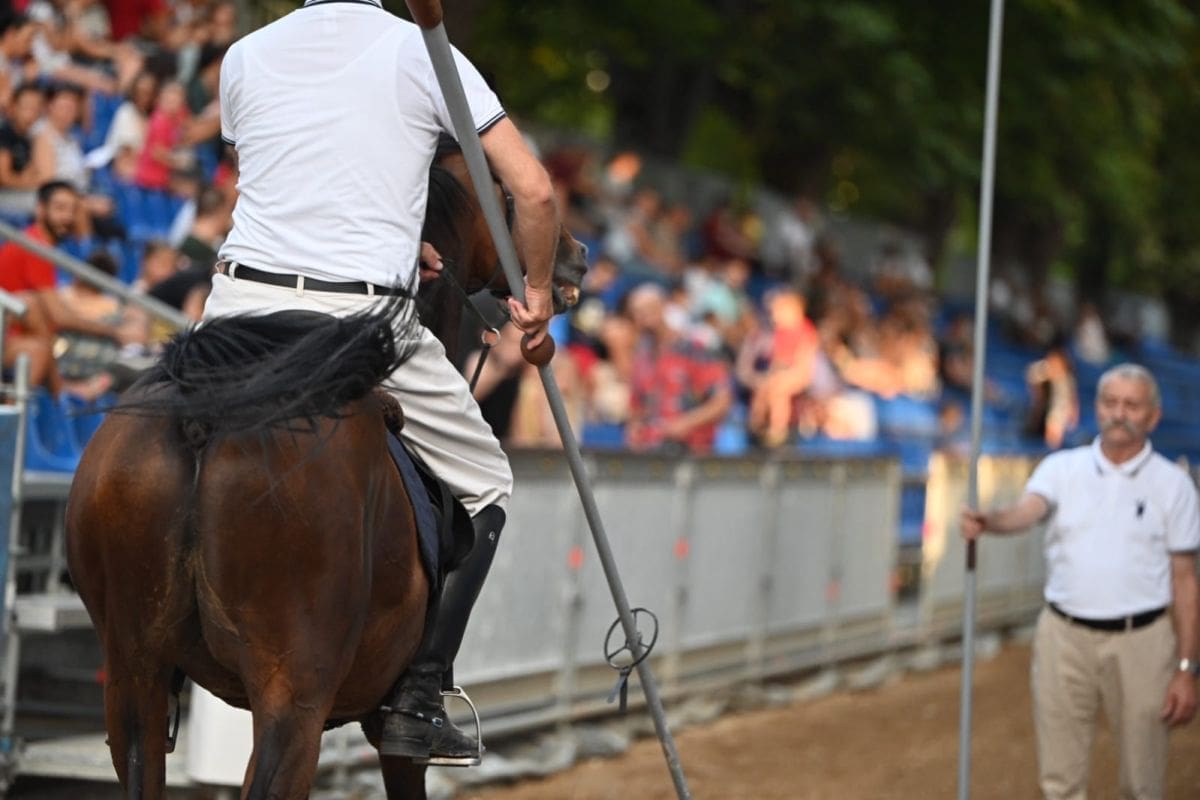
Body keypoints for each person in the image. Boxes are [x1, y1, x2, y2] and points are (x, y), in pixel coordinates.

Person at [210, 0, 558, 763]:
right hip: (362, 317)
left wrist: (407, 246)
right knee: (490, 480)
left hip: (236, 302)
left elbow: (289, 177)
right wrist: (533, 301)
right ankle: (418, 692)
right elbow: (532, 193)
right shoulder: (425, 51)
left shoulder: (243, 53)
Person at [961, 363, 1200, 799]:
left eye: (1131, 405)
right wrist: (990, 521)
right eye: (1110, 402)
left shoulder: (1174, 485)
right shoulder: (1061, 469)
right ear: (1097, 407)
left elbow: (1185, 580)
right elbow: (1026, 511)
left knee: (1143, 781)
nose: (1119, 413)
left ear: (1152, 416)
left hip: (1143, 641)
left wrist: (1186, 669)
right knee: (1059, 781)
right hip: (1063, 637)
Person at [0, 180, 131, 397]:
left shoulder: (42, 245)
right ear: (40, 209)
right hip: (8, 336)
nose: (68, 217)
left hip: (20, 338)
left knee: (41, 347)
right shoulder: (35, 245)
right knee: (45, 342)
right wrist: (115, 332)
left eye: (73, 210)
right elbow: (58, 316)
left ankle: (63, 395)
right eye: (60, 208)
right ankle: (64, 393)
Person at [624, 283, 733, 454]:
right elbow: (636, 405)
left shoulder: (694, 349)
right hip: (651, 452)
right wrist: (634, 427)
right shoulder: (642, 356)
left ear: (664, 306)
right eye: (636, 312)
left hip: (690, 452)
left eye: (649, 309)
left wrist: (685, 423)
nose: (643, 316)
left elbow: (722, 402)